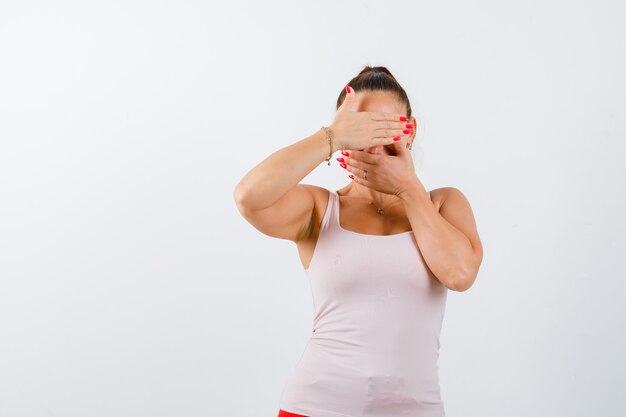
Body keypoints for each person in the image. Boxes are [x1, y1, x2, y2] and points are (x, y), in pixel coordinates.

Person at [233, 66, 483, 417]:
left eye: (386, 129)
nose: (373, 144)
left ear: (410, 133)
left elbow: (460, 274)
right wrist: (329, 137)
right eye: (361, 131)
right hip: (315, 404)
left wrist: (407, 189)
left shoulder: (443, 204)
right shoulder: (320, 209)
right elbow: (249, 197)